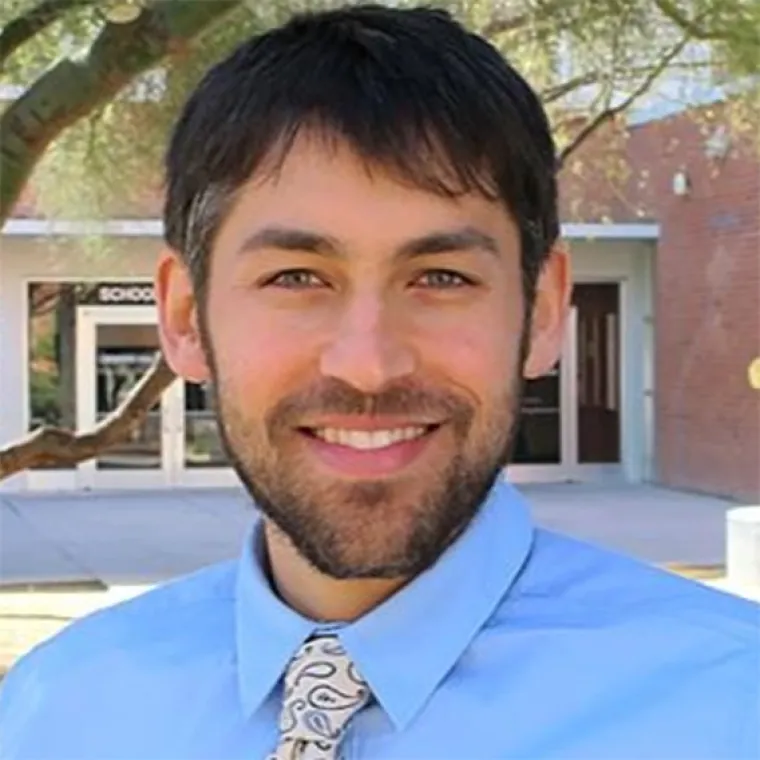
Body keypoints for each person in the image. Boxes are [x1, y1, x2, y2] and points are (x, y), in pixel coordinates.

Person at [1, 5, 758, 759]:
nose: (367, 363)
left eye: (440, 276)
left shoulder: (730, 707)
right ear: (187, 317)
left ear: (545, 309)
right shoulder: (56, 712)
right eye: (296, 277)